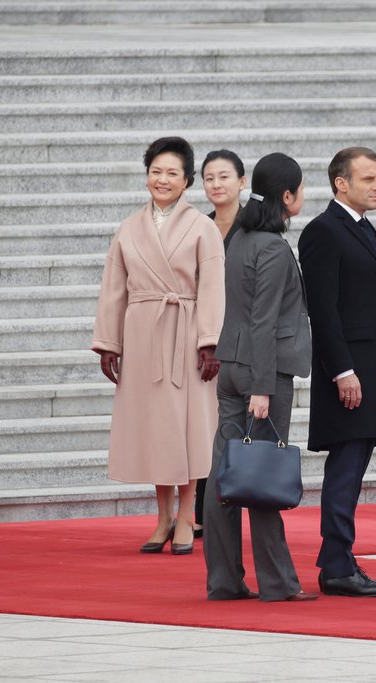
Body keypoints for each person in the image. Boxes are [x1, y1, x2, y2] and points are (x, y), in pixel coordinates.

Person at [92, 136, 225, 556]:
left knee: (185, 427)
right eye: (156, 171)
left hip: (186, 334)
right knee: (154, 427)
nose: (162, 179)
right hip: (144, 334)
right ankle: (163, 514)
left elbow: (213, 289)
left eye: (172, 173)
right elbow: (114, 288)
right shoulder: (128, 228)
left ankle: (187, 514)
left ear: (187, 181)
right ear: (146, 175)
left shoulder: (202, 227)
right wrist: (109, 343)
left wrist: (210, 342)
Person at [203, 152, 317, 602]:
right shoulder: (270, 246)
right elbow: (264, 321)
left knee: (223, 475)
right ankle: (279, 583)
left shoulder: (239, 237)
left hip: (231, 366)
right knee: (261, 472)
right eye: (302, 189)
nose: (304, 196)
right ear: (287, 196)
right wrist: (264, 388)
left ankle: (224, 581)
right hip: (259, 371)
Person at [298, 147, 376, 597]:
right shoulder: (324, 231)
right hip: (347, 374)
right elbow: (322, 310)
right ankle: (338, 566)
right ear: (341, 183)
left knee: (353, 465)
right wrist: (342, 370)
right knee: (345, 468)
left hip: (370, 370)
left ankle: (337, 560)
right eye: (369, 179)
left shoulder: (362, 228)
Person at [193, 148, 247, 539]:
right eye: (209, 178)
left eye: (224, 176)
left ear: (242, 182)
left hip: (244, 340)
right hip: (208, 339)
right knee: (205, 425)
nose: (216, 184)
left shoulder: (256, 227)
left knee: (235, 426)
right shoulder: (199, 227)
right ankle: (200, 511)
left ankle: (239, 503)